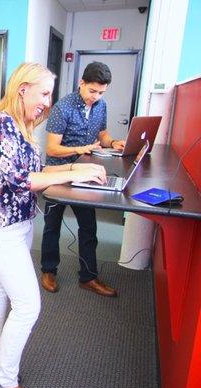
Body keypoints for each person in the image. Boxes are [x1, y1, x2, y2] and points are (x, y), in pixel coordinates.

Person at [0, 62, 106, 388]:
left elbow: (37, 168)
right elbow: (23, 180)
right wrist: (71, 173)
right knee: (29, 306)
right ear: (23, 89)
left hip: (18, 222)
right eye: (44, 93)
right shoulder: (2, 125)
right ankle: (4, 379)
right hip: (0, 226)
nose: (48, 102)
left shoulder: (22, 125)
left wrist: (75, 166)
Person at [40, 61, 125, 297]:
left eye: (101, 92)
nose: (95, 97)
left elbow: (103, 134)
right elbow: (52, 149)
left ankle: (88, 277)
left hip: (84, 174)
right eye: (92, 91)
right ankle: (48, 270)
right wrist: (81, 148)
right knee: (52, 226)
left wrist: (113, 142)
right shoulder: (62, 108)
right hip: (58, 174)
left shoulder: (101, 105)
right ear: (82, 83)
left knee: (88, 227)